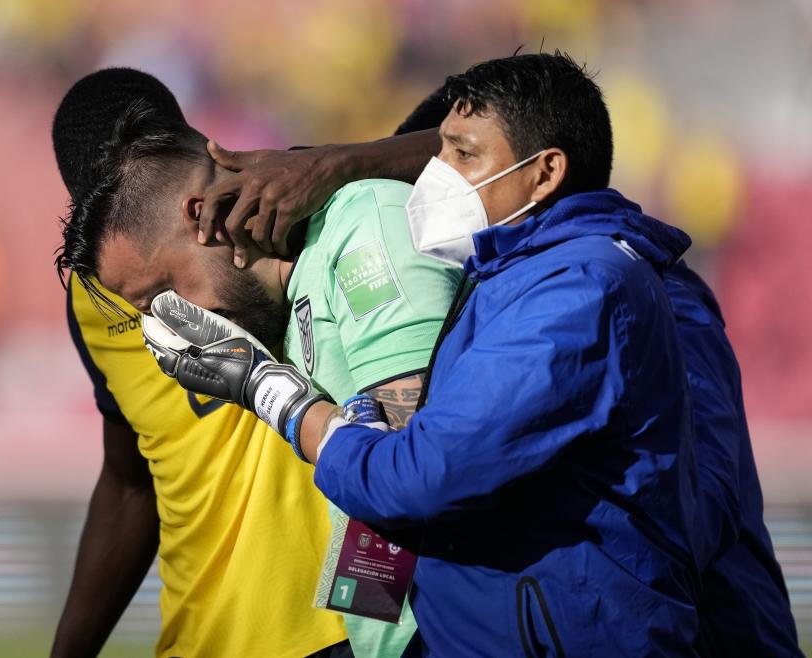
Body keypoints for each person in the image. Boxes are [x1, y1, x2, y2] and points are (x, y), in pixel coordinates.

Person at [197, 60, 801, 658]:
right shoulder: (509, 281)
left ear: (544, 174)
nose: (436, 181)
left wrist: (277, 397)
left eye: (462, 156)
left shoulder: (597, 289)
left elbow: (698, 508)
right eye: (436, 158)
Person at [53, 68, 466, 658]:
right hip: (201, 639)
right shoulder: (103, 296)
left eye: (159, 293)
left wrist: (335, 163)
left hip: (339, 630)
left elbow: (505, 154)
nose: (163, 325)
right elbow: (128, 482)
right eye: (142, 304)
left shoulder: (302, 200)